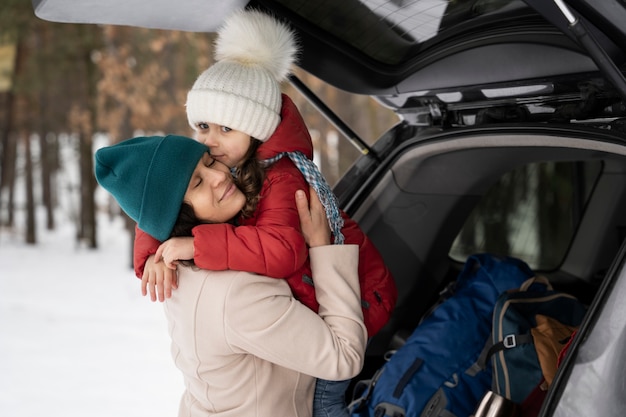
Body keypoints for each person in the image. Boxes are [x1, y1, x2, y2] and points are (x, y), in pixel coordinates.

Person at [133, 10, 397, 416]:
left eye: (226, 130)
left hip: (358, 302)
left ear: (255, 131)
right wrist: (152, 254)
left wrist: (194, 243)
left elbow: (282, 250)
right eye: (204, 126)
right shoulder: (233, 165)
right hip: (307, 304)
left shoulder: (282, 177)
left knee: (327, 402)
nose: (210, 144)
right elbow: (159, 202)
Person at [94, 134, 367, 416]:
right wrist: (324, 248)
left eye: (210, 161)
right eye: (198, 183)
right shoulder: (237, 292)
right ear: (176, 216)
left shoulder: (180, 260)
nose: (219, 177)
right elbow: (344, 357)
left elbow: (153, 211)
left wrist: (152, 251)